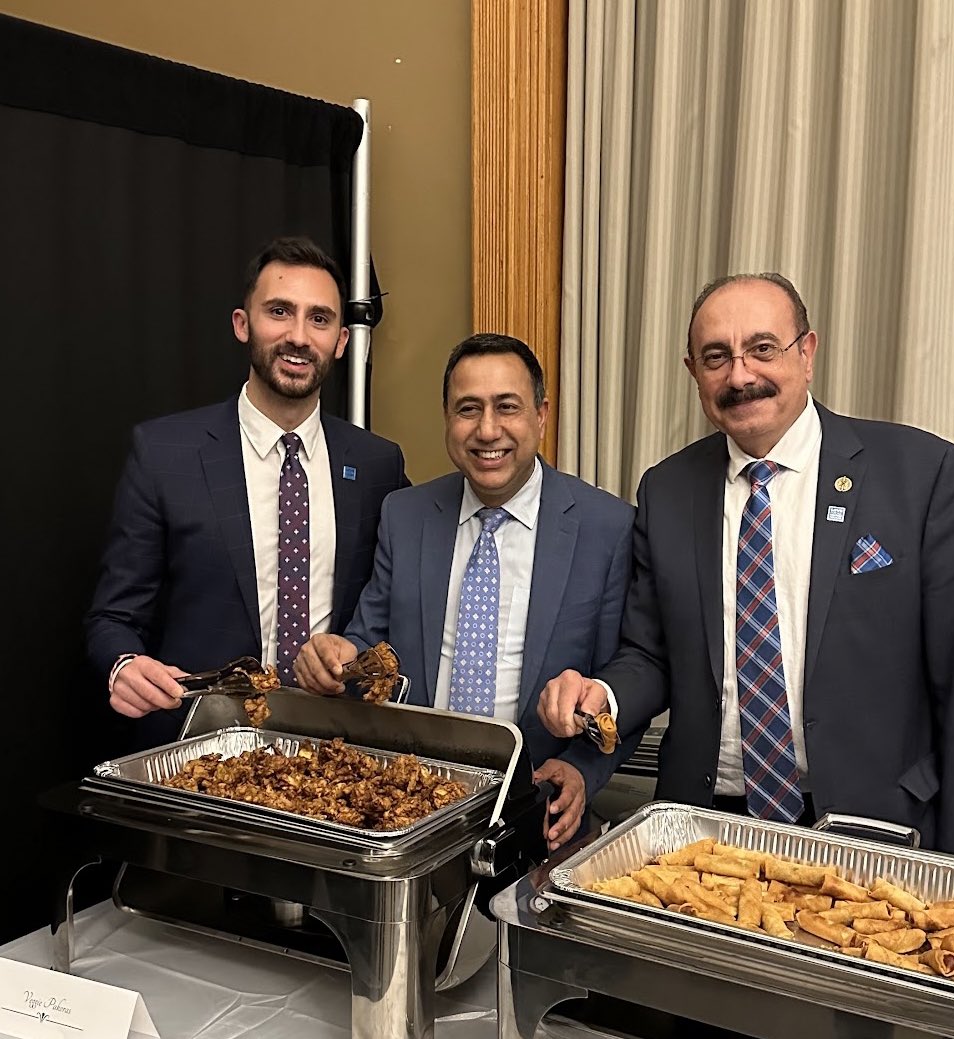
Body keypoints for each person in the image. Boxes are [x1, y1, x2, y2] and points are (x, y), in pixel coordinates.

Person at [537, 272, 954, 862]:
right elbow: (652, 653)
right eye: (716, 358)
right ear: (694, 373)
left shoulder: (920, 475)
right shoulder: (668, 489)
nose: (740, 376)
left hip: (875, 832)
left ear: (807, 353)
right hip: (707, 835)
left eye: (763, 349)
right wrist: (602, 694)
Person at [295, 333, 638, 850]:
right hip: (409, 809)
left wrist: (582, 771)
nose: (488, 430)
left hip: (536, 810)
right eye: (468, 409)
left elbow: (625, 676)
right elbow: (368, 642)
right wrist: (337, 659)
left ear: (542, 415)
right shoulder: (405, 515)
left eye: (507, 407)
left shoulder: (606, 527)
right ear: (447, 420)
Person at [85, 236, 408, 748]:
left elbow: (404, 600)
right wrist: (122, 665)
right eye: (279, 312)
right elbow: (113, 618)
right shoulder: (165, 453)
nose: (298, 336)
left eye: (319, 319)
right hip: (200, 755)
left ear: (342, 341)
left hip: (337, 757)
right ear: (243, 324)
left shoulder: (376, 465)